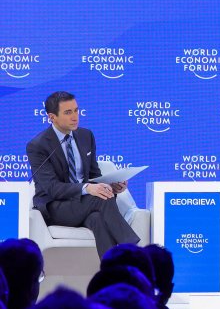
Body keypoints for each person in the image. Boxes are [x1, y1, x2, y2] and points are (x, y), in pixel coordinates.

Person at [27, 91, 139, 256]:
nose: (75, 117)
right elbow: (52, 188)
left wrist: (111, 186)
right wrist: (87, 189)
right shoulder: (38, 146)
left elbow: (95, 176)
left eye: (76, 110)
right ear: (52, 117)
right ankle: (135, 251)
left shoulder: (86, 136)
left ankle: (112, 271)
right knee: (100, 197)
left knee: (98, 220)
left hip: (86, 205)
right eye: (68, 112)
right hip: (57, 207)